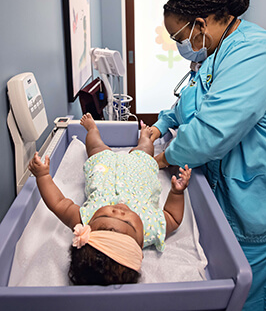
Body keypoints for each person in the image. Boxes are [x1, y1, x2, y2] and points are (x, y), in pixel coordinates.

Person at [150, 0, 266, 311]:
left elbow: (212, 131)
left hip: (252, 204)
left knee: (246, 295)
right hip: (219, 191)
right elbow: (189, 99)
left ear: (200, 24)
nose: (179, 45)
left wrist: (163, 158)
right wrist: (162, 125)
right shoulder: (214, 52)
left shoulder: (254, 53)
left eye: (178, 36)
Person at [28, 113, 191, 286]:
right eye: (128, 223)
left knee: (95, 146)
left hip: (103, 167)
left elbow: (59, 203)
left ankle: (92, 129)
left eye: (105, 216)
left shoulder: (84, 220)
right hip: (139, 168)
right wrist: (177, 193)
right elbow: (173, 217)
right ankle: (144, 136)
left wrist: (43, 176)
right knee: (145, 149)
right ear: (140, 243)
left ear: (89, 229)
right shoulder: (150, 228)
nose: (119, 212)